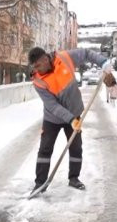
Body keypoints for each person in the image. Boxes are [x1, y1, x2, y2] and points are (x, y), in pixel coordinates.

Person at [28, 46, 112, 193]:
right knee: (45, 149)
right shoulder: (37, 80)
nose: (36, 70)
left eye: (38, 65)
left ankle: (74, 178)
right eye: (34, 67)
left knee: (75, 147)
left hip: (74, 111)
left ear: (46, 59)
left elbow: (86, 53)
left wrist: (103, 62)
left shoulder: (64, 58)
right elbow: (52, 106)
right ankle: (40, 183)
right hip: (52, 118)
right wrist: (71, 120)